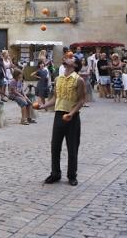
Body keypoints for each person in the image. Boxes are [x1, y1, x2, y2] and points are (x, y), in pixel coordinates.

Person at [41, 56, 86, 186]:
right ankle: (55, 173)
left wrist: (71, 113)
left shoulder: (79, 80)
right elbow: (55, 98)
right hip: (59, 115)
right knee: (55, 146)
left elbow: (82, 100)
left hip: (72, 117)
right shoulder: (58, 79)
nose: (67, 58)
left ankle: (72, 175)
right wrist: (43, 105)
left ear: (75, 65)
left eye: (71, 58)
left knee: (72, 147)